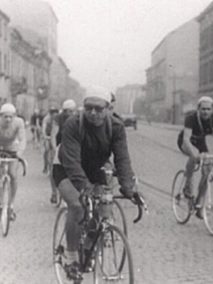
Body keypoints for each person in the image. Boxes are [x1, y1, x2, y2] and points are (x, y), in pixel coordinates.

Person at [52, 86, 143, 281]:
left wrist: (128, 187)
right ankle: (72, 257)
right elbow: (72, 162)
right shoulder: (73, 124)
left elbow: (122, 159)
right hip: (66, 168)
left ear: (109, 108)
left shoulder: (116, 127)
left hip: (95, 168)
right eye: (89, 108)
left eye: (99, 108)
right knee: (78, 206)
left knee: (102, 212)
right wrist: (85, 188)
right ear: (83, 108)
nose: (93, 113)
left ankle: (88, 249)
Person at [177, 96, 213, 219]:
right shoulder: (191, 118)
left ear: (212, 110)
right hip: (186, 142)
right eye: (203, 109)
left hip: (201, 143)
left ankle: (199, 204)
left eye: (208, 109)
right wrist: (195, 155)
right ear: (198, 109)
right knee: (193, 158)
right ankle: (187, 191)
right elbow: (186, 139)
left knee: (206, 171)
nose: (206, 112)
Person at [0, 103, 26, 221]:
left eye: (11, 117)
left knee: (12, 174)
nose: (8, 119)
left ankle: (11, 205)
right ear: (1, 116)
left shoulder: (19, 122)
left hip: (12, 148)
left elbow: (22, 138)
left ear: (14, 116)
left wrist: (20, 152)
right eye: (5, 117)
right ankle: (1, 204)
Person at [48, 99, 77, 204]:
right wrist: (55, 149)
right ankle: (54, 193)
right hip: (59, 144)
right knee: (53, 171)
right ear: (63, 111)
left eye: (71, 111)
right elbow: (53, 135)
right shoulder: (58, 118)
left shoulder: (77, 119)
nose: (69, 113)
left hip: (71, 146)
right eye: (67, 111)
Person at [41, 106, 59, 174]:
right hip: (48, 136)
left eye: (55, 113)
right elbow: (43, 127)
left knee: (56, 150)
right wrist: (44, 135)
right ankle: (45, 166)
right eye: (52, 113)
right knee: (47, 149)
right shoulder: (46, 119)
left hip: (55, 136)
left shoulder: (58, 119)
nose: (54, 114)